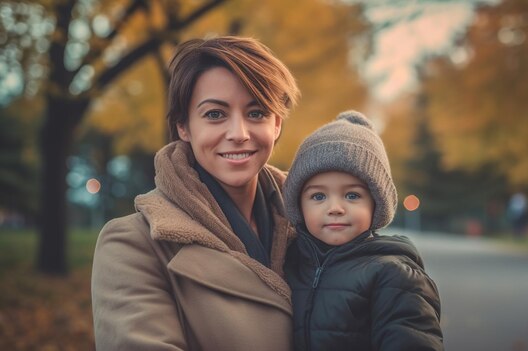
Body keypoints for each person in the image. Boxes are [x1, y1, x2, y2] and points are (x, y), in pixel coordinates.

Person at [91, 36, 300, 350]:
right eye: (215, 114)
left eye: (256, 113)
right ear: (183, 127)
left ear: (277, 125)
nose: (239, 134)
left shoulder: (316, 225)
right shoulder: (133, 245)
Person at [283, 111, 444, 351]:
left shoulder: (393, 276)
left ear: (376, 204)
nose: (335, 208)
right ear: (298, 205)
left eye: (352, 195)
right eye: (318, 196)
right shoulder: (288, 263)